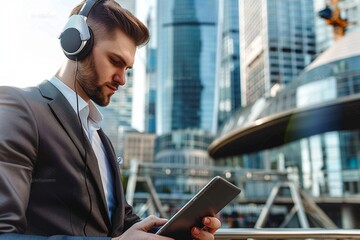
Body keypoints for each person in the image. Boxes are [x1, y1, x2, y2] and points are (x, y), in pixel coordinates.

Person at [0, 0, 221, 239]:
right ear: (76, 44)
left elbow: (118, 226)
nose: (122, 79)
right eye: (116, 61)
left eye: (127, 68)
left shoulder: (101, 138)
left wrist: (179, 232)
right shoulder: (19, 107)